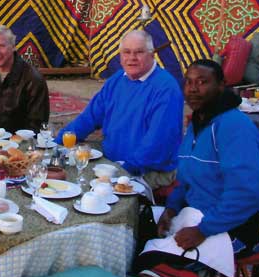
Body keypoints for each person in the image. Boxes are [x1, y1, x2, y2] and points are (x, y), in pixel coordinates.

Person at [158, 60, 259, 257]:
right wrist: (171, 209)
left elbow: (245, 193)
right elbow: (186, 181)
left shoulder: (234, 127)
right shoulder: (199, 122)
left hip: (240, 226)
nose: (193, 89)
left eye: (202, 82)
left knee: (159, 260)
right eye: (188, 82)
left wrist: (203, 230)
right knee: (141, 232)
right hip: (199, 215)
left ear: (221, 86)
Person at [55, 29, 183, 189]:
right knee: (68, 174)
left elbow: (157, 145)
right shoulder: (117, 79)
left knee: (91, 192)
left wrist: (121, 170)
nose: (132, 58)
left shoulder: (166, 89)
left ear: (152, 55)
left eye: (139, 52)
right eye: (126, 52)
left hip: (148, 170)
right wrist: (57, 143)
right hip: (114, 161)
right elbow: (89, 118)